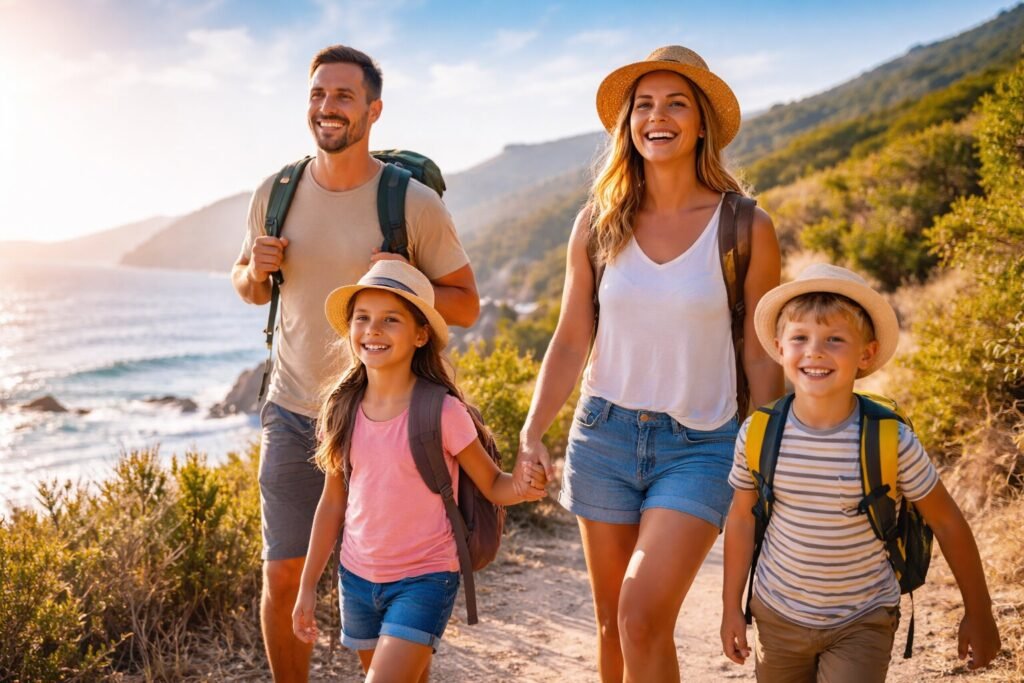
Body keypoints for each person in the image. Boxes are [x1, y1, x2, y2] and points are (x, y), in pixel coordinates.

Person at [516, 45, 783, 681]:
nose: (657, 117)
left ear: (700, 124)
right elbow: (571, 336)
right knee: (613, 625)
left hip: (702, 445)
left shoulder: (744, 225)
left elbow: (760, 347)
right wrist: (532, 431)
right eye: (644, 106)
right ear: (627, 124)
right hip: (603, 434)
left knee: (641, 614)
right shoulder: (598, 223)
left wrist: (770, 448)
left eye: (676, 104)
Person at [231, 45, 479, 682]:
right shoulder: (276, 192)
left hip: (384, 418)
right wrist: (253, 272)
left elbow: (466, 302)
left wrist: (406, 279)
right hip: (293, 411)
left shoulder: (411, 202)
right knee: (284, 569)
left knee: (393, 580)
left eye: (343, 96)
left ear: (373, 109)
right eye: (318, 94)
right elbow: (250, 285)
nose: (327, 107)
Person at [720, 263, 1002, 681]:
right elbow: (742, 517)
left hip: (862, 619)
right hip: (777, 615)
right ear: (780, 349)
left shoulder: (890, 441)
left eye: (835, 339)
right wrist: (731, 608)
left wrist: (979, 612)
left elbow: (946, 520)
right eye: (800, 338)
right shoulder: (759, 433)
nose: (815, 351)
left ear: (866, 354)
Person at [291, 260, 546, 682]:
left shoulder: (443, 412)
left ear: (420, 334)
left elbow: (495, 486)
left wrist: (525, 486)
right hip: (356, 578)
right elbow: (333, 502)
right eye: (363, 319)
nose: (373, 330)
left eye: (390, 320)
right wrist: (306, 586)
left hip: (425, 577)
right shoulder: (340, 409)